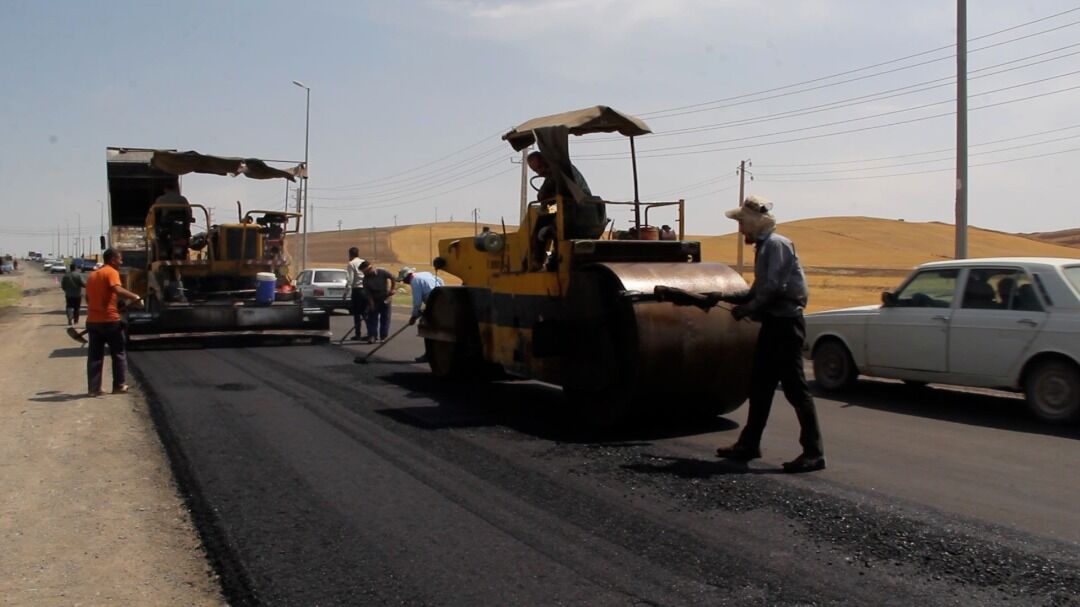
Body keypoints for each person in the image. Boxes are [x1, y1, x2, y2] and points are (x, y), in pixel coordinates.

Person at [713, 195, 826, 473]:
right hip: (775, 324)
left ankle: (813, 452)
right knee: (760, 387)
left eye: (742, 223)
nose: (740, 230)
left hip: (785, 326)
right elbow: (759, 288)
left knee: (796, 389)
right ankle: (749, 444)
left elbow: (773, 288)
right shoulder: (765, 248)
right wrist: (730, 298)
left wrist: (747, 309)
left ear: (753, 223)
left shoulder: (776, 246)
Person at [84, 248, 142, 397]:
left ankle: (94, 389)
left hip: (92, 321)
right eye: (119, 259)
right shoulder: (111, 272)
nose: (121, 262)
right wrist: (135, 297)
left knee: (95, 355)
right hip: (110, 321)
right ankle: (119, 385)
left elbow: (87, 299)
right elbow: (116, 288)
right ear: (112, 260)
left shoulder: (92, 276)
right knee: (118, 353)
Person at [397, 267, 444, 363]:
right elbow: (440, 280)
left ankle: (429, 354)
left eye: (403, 280)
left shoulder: (415, 281)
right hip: (441, 299)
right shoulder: (425, 273)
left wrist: (413, 317)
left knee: (426, 327)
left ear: (407, 277)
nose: (404, 282)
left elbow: (417, 303)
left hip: (435, 304)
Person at [359, 260, 396, 343]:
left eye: (366, 272)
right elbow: (368, 293)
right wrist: (371, 303)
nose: (365, 274)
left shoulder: (382, 272)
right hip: (374, 299)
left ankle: (383, 336)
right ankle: (372, 336)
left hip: (386, 298)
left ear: (370, 269)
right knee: (372, 318)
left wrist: (392, 289)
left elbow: (393, 278)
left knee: (385, 318)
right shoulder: (365, 280)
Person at [343, 247, 367, 341]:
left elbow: (350, 280)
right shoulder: (364, 262)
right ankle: (371, 332)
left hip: (357, 291)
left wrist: (345, 293)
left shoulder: (351, 263)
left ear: (350, 254)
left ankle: (358, 334)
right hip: (365, 290)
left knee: (357, 314)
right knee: (365, 313)